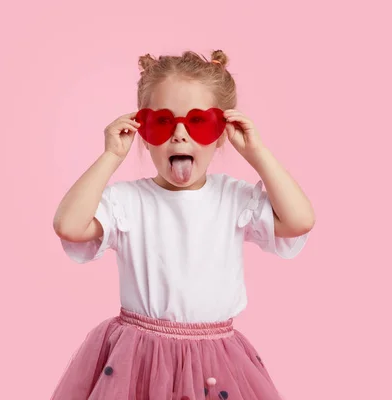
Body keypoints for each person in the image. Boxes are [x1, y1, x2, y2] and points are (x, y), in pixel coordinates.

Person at [51, 49, 315, 400]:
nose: (179, 134)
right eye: (162, 122)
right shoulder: (128, 201)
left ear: (222, 132)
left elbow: (299, 220)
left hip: (216, 361)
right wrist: (111, 156)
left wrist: (257, 154)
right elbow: (69, 225)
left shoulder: (232, 198)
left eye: (198, 123)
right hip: (140, 361)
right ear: (142, 131)